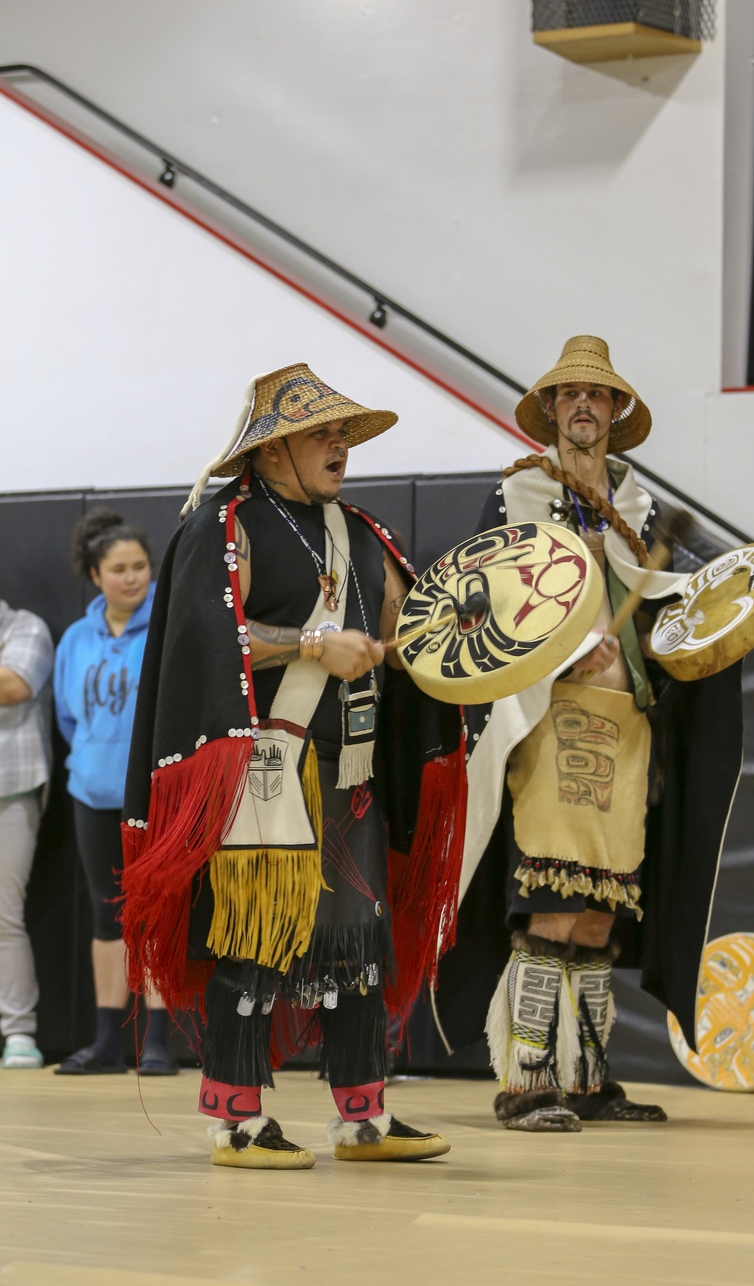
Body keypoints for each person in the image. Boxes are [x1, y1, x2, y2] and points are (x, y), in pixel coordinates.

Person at [122, 364, 458, 1170]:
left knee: (358, 941)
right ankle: (236, 1121)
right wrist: (313, 643)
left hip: (353, 769)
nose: (340, 445)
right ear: (273, 452)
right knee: (259, 938)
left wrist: (470, 641)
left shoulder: (362, 533)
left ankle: (363, 1117)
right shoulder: (222, 524)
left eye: (344, 432)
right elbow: (210, 637)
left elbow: (407, 634)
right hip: (264, 767)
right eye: (323, 434)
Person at [453, 336, 744, 1131]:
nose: (584, 405)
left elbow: (657, 609)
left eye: (598, 394)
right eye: (569, 394)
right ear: (550, 410)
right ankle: (527, 1079)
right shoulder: (515, 498)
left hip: (627, 728)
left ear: (617, 411)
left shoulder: (638, 508)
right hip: (546, 723)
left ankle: (587, 1080)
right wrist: (563, 647)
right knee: (550, 900)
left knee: (600, 908)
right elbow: (477, 607)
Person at [53, 511, 175, 1076]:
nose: (132, 578)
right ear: (96, 575)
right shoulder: (77, 638)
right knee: (108, 917)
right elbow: (68, 718)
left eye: (140, 567)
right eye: (119, 569)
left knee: (156, 913)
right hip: (91, 793)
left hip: (154, 796)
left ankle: (156, 1042)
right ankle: (106, 1041)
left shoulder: (168, 625)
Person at [0, 596, 53, 1069]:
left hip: (9, 793)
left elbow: (14, 684)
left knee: (3, 915)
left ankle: (19, 1031)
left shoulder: (24, 626)